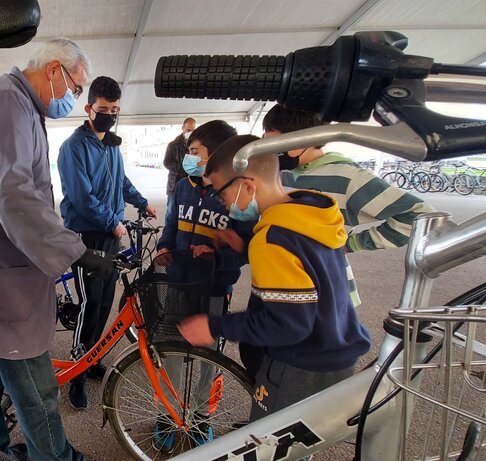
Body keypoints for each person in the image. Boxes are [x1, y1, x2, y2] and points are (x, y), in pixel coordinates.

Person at [0, 38, 111, 461]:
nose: (74, 98)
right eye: (75, 87)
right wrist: (75, 251)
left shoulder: (19, 104)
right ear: (54, 69)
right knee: (30, 376)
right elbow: (14, 193)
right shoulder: (6, 103)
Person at [179, 134, 372, 422]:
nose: (222, 203)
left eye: (222, 193)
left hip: (301, 366)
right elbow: (306, 275)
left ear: (247, 185)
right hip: (334, 351)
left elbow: (287, 324)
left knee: (274, 442)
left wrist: (214, 325)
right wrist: (244, 248)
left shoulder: (272, 240)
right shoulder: (309, 213)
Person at [56, 75, 157, 410]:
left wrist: (141, 202)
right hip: (86, 237)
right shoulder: (73, 147)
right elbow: (82, 198)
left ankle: (92, 357)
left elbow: (121, 181)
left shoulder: (112, 145)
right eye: (104, 109)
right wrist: (113, 222)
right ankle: (76, 372)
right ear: (89, 108)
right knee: (88, 304)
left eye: (115, 110)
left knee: (104, 303)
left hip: (111, 235)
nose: (110, 114)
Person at [152, 120, 251, 450]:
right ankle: (168, 415)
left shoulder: (236, 195)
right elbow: (169, 226)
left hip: (213, 289)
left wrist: (216, 258)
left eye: (195, 152)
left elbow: (245, 248)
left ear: (218, 156)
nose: (189, 158)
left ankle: (200, 418)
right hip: (178, 284)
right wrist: (164, 248)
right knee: (170, 354)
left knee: (209, 358)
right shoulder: (181, 187)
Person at [264, 104, 436, 252]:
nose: (270, 151)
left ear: (305, 139)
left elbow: (420, 215)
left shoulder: (346, 177)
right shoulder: (282, 173)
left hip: (327, 283)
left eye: (277, 144)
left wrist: (352, 244)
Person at [163, 117, 197, 203]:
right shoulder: (173, 145)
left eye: (193, 130)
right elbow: (167, 163)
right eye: (188, 130)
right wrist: (184, 166)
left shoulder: (197, 145)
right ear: (183, 128)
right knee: (171, 212)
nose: (190, 133)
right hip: (175, 184)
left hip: (191, 184)